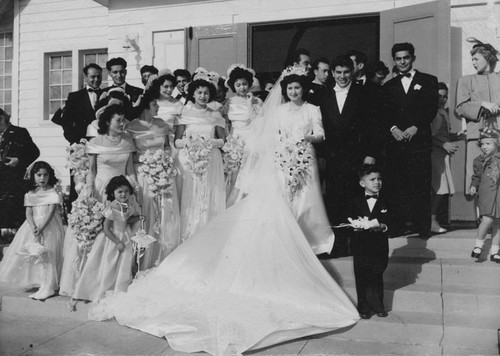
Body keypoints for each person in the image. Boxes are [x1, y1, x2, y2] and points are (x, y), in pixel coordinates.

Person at [88, 65, 359, 355]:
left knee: (302, 203)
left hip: (298, 157)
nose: (294, 92)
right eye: (290, 88)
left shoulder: (306, 110)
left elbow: (312, 134)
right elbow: (261, 135)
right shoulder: (273, 113)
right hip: (267, 160)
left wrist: (300, 142)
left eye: (297, 87)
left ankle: (309, 240)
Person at [59, 104, 138, 299]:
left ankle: (113, 278)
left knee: (120, 231)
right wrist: (89, 191)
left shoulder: (128, 141)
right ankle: (90, 279)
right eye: (118, 120)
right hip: (102, 189)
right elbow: (92, 171)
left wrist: (135, 189)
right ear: (107, 122)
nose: (122, 123)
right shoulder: (95, 142)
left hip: (122, 190)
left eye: (123, 120)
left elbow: (129, 170)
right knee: (96, 230)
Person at [316, 55, 376, 256]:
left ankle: (358, 244)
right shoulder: (323, 94)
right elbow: (319, 126)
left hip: (357, 156)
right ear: (332, 73)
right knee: (334, 199)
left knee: (357, 199)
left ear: (353, 72)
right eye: (338, 72)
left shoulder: (364, 93)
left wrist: (370, 154)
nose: (342, 76)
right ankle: (339, 245)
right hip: (332, 157)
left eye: (346, 72)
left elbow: (371, 126)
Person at [384, 42, 438, 240]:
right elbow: (385, 113)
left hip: (419, 142)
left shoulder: (429, 81)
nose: (402, 62)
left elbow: (431, 108)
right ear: (394, 61)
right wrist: (393, 129)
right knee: (397, 186)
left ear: (413, 58)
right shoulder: (388, 86)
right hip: (397, 144)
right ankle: (398, 226)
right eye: (398, 59)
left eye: (406, 57)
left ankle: (422, 228)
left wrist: (417, 126)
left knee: (420, 185)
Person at [127, 90, 181, 269]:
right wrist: (147, 165)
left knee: (166, 211)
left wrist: (164, 162)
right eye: (154, 105)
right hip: (143, 172)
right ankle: (145, 258)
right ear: (145, 106)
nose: (158, 107)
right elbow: (131, 154)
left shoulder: (161, 124)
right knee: (148, 213)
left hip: (163, 173)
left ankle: (165, 256)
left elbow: (167, 147)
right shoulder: (132, 126)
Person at [0, 161, 64, 300]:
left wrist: (42, 227)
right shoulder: (30, 193)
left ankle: (49, 285)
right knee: (36, 256)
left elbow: (51, 212)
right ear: (33, 176)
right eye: (39, 175)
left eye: (45, 175)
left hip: (49, 226)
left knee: (49, 255)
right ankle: (41, 283)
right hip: (33, 226)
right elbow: (29, 212)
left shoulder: (52, 191)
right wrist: (33, 226)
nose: (42, 178)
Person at [71, 176, 141, 302]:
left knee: (123, 263)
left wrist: (138, 218)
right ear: (112, 193)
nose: (123, 194)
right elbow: (106, 228)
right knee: (110, 263)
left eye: (126, 191)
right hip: (113, 239)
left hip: (126, 236)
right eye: (119, 191)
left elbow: (125, 219)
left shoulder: (127, 205)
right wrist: (117, 241)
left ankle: (119, 287)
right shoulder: (111, 207)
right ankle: (104, 289)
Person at [174, 78, 226, 241]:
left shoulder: (215, 114)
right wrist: (191, 144)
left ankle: (209, 232)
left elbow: (223, 141)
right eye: (199, 92)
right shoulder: (184, 113)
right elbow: (177, 141)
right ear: (193, 94)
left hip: (211, 159)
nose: (203, 96)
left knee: (209, 193)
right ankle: (190, 234)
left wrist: (206, 143)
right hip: (190, 160)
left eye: (206, 93)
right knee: (192, 193)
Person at [456, 38, 500, 193]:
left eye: (476, 59)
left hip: (498, 136)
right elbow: (460, 108)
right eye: (472, 59)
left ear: (487, 58)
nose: (473, 63)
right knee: (478, 180)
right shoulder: (467, 81)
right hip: (477, 138)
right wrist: (481, 104)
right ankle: (480, 217)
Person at [347, 164, 390, 319]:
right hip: (361, 245)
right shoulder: (355, 201)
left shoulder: (386, 200)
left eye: (379, 179)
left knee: (377, 274)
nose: (377, 182)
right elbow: (348, 219)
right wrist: (355, 227)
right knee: (362, 275)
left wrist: (384, 226)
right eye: (372, 179)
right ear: (362, 183)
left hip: (379, 246)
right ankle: (363, 307)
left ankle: (378, 305)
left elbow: (394, 220)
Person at [61, 63, 104, 209]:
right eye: (92, 76)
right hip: (81, 148)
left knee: (98, 183)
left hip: (101, 146)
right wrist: (75, 140)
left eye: (99, 76)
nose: (96, 79)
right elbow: (66, 122)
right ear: (85, 77)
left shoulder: (106, 95)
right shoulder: (74, 97)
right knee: (79, 185)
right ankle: (78, 219)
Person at [223, 65, 263, 199]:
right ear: (233, 86)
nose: (242, 88)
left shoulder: (257, 101)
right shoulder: (229, 102)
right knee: (233, 172)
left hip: (250, 138)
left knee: (247, 172)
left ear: (249, 84)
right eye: (238, 85)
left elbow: (259, 122)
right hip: (234, 138)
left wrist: (250, 104)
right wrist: (229, 139)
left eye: (244, 84)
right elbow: (226, 123)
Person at [0, 109, 40, 230]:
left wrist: (19, 161)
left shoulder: (19, 132)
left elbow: (34, 152)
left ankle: (15, 240)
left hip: (14, 179)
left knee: (15, 213)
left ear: (3, 118)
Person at [431, 83, 459, 233]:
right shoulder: (431, 112)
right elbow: (428, 137)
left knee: (441, 188)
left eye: (445, 96)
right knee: (438, 188)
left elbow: (444, 135)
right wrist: (444, 145)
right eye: (439, 96)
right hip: (434, 155)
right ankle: (431, 220)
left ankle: (432, 220)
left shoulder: (443, 112)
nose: (442, 99)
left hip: (442, 156)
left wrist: (458, 136)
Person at [469, 128, 500, 263]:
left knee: (498, 223)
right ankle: (478, 246)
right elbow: (476, 176)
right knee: (487, 220)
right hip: (486, 193)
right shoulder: (478, 160)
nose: (484, 147)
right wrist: (473, 186)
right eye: (482, 144)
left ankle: (495, 251)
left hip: (498, 194)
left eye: (488, 143)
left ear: (496, 144)